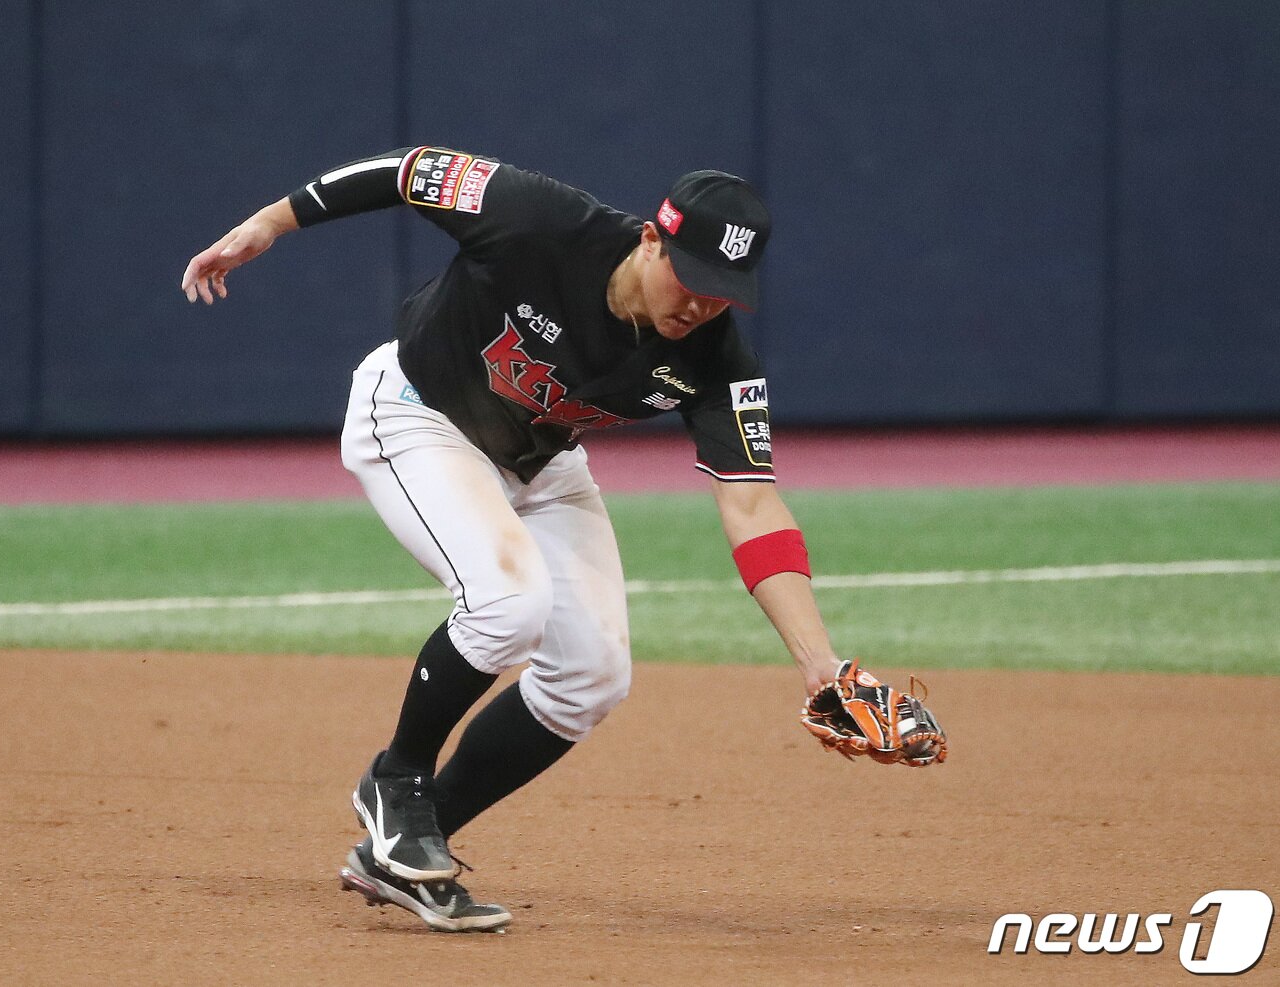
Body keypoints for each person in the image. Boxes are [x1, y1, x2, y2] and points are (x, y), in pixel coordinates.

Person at [181, 146, 944, 933]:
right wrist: (272, 221)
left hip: (540, 462)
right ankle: (397, 778)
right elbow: (408, 171)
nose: (700, 304)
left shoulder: (716, 357)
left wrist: (821, 666)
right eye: (690, 277)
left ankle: (406, 844)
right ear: (651, 239)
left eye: (723, 293)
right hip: (417, 412)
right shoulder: (538, 220)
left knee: (592, 673)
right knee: (510, 603)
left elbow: (752, 505)